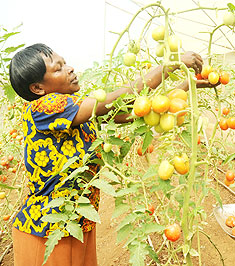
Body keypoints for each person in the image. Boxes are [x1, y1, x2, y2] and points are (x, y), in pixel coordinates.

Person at [9, 43, 211, 266]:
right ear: (38, 88)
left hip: (76, 221)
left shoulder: (76, 110)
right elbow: (116, 99)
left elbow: (132, 111)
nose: (70, 69)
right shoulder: (43, 108)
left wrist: (186, 85)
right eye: (58, 69)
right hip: (45, 230)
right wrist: (169, 65)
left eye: (65, 63)